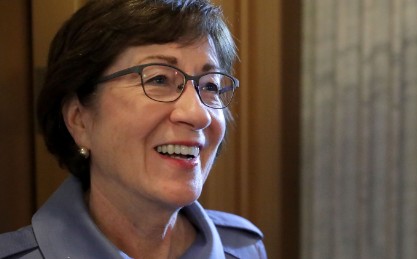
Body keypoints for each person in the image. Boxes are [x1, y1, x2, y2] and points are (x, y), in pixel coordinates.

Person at [0, 0, 266, 258]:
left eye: (210, 86)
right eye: (159, 79)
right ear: (79, 119)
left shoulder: (243, 250)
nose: (197, 114)